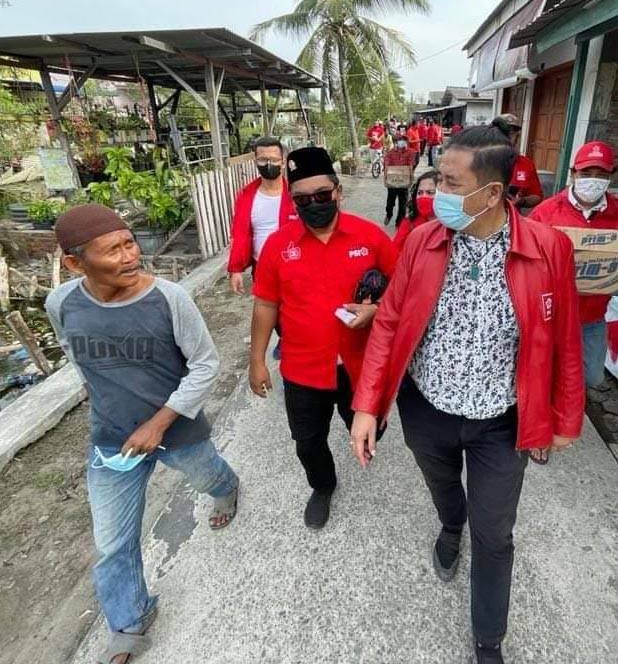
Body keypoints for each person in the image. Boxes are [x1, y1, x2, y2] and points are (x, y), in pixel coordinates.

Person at [350, 126, 584, 664]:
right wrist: (367, 406)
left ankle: (488, 639)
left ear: (493, 192)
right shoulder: (422, 240)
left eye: (452, 184)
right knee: (441, 486)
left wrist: (565, 417)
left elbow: (566, 338)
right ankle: (450, 524)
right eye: (438, 180)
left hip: (501, 421)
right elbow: (388, 323)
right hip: (426, 408)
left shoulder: (548, 249)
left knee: (495, 533)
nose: (438, 193)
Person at [46, 204, 239, 664]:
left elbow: (205, 364)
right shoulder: (61, 303)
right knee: (112, 542)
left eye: (130, 243)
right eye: (112, 250)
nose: (130, 255)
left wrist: (159, 421)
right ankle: (130, 621)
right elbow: (77, 358)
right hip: (112, 439)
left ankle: (228, 489)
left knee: (208, 477)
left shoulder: (169, 298)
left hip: (178, 429)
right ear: (74, 263)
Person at [249, 146, 397, 529]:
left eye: (321, 195)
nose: (313, 204)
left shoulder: (370, 237)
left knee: (370, 426)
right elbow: (265, 305)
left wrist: (376, 311)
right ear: (292, 201)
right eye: (302, 199)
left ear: (338, 192)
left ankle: (363, 437)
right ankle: (323, 486)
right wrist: (257, 360)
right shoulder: (278, 246)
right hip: (302, 369)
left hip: (359, 366)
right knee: (308, 440)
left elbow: (403, 293)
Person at [530, 140, 618, 387]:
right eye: (587, 172)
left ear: (611, 176)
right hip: (550, 315)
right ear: (573, 173)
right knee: (545, 374)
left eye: (601, 174)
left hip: (592, 317)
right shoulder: (546, 212)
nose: (593, 180)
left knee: (591, 377)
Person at [228, 136, 296, 296]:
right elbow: (240, 234)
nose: (268, 164)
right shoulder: (246, 196)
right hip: (261, 268)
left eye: (274, 159)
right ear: (255, 162)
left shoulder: (296, 195)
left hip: (293, 266)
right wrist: (235, 270)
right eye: (263, 160)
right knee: (265, 309)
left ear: (283, 162)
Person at [492, 115, 543, 211]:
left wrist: (522, 201)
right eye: (502, 133)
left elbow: (537, 196)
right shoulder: (479, 160)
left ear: (517, 137)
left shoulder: (526, 164)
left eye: (511, 133)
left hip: (512, 217)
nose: (506, 137)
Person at [392, 170, 438, 253]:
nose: (424, 196)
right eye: (420, 192)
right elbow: (394, 252)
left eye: (430, 192)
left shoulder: (450, 226)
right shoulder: (409, 223)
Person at [384, 131, 414, 227]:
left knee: (403, 203)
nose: (402, 142)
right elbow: (386, 165)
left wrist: (411, 178)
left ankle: (399, 222)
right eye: (400, 140)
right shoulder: (391, 152)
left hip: (404, 181)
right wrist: (385, 178)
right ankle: (389, 214)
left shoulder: (410, 152)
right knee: (390, 202)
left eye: (404, 140)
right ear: (396, 142)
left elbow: (410, 165)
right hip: (392, 181)